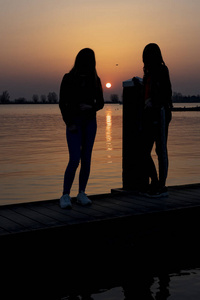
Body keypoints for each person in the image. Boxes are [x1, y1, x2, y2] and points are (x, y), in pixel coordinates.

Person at [59, 48, 104, 208]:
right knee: (74, 159)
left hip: (90, 123)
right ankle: (65, 195)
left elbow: (100, 103)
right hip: (74, 123)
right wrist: (69, 123)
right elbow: (62, 104)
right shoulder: (68, 78)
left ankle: (81, 193)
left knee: (86, 159)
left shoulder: (95, 79)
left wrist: (90, 107)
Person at [141, 43, 172, 197]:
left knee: (160, 150)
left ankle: (161, 185)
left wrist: (154, 102)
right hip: (149, 114)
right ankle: (154, 181)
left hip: (160, 113)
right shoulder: (148, 73)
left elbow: (166, 93)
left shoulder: (161, 70)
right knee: (144, 150)